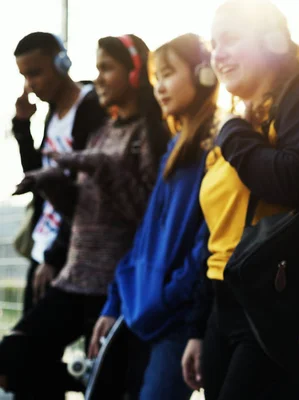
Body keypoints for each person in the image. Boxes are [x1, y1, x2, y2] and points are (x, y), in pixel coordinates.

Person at [181, 1, 299, 399]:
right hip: (225, 303)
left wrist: (233, 133)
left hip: (273, 303)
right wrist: (199, 329)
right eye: (214, 44)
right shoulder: (242, 119)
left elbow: (294, 180)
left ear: (271, 42)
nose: (218, 54)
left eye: (232, 39)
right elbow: (219, 237)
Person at [0, 34, 169, 399]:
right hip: (74, 269)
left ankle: (82, 378)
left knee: (105, 381)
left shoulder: (142, 132)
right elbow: (81, 202)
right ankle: (78, 378)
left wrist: (95, 166)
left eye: (107, 68)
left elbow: (142, 212)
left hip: (109, 279)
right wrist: (48, 181)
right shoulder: (103, 130)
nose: (31, 84)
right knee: (15, 353)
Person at [88, 33, 219, 400]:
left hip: (174, 320)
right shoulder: (175, 146)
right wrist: (115, 302)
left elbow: (205, 245)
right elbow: (145, 239)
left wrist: (166, 299)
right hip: (140, 311)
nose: (159, 88)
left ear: (203, 74)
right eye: (154, 78)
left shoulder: (217, 145)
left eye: (167, 74)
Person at [12, 32, 106, 313]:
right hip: (44, 247)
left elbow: (87, 192)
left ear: (62, 63)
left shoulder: (92, 108)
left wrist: (54, 257)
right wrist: (22, 126)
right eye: (25, 76)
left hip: (71, 248)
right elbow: (37, 177)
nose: (31, 84)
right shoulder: (52, 114)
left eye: (36, 73)